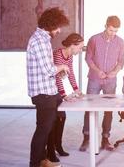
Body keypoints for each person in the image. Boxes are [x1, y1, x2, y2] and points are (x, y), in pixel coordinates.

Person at [27, 7, 70, 167]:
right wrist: (62, 67)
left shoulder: (42, 39)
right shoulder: (40, 41)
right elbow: (48, 70)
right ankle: (35, 163)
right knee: (43, 130)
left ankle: (42, 160)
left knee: (46, 127)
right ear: (51, 24)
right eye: (58, 27)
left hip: (47, 90)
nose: (59, 31)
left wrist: (57, 70)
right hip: (43, 93)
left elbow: (46, 68)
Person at [79, 15, 124, 152]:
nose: (113, 34)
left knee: (108, 109)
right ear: (105, 26)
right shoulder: (94, 39)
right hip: (94, 78)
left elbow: (121, 61)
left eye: (116, 31)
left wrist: (115, 72)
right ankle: (86, 137)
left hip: (110, 80)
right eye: (111, 30)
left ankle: (105, 138)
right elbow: (88, 58)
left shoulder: (121, 42)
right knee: (89, 108)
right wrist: (97, 70)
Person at [46, 33, 84, 162]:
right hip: (50, 91)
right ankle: (50, 151)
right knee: (52, 121)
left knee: (62, 118)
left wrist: (76, 89)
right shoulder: (58, 54)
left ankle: (58, 146)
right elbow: (57, 77)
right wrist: (64, 95)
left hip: (57, 92)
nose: (80, 50)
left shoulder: (69, 57)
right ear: (72, 45)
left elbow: (70, 73)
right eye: (80, 47)